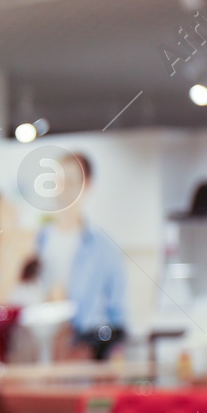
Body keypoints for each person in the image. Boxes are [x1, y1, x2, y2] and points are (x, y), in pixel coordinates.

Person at [36, 152, 126, 360]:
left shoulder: (104, 249)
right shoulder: (36, 242)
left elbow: (118, 315)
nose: (63, 190)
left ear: (86, 187)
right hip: (42, 355)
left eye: (71, 183)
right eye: (58, 182)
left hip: (85, 358)